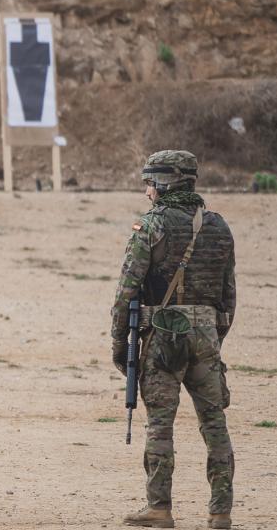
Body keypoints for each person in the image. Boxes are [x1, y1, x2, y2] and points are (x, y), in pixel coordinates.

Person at [112, 150, 237, 529]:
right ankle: (220, 512)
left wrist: (121, 345)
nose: (147, 191)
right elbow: (228, 297)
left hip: (162, 337)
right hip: (207, 336)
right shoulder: (218, 226)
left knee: (160, 425)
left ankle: (160, 508)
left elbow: (126, 292)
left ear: (164, 184)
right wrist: (213, 338)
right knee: (214, 424)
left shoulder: (151, 227)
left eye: (150, 183)